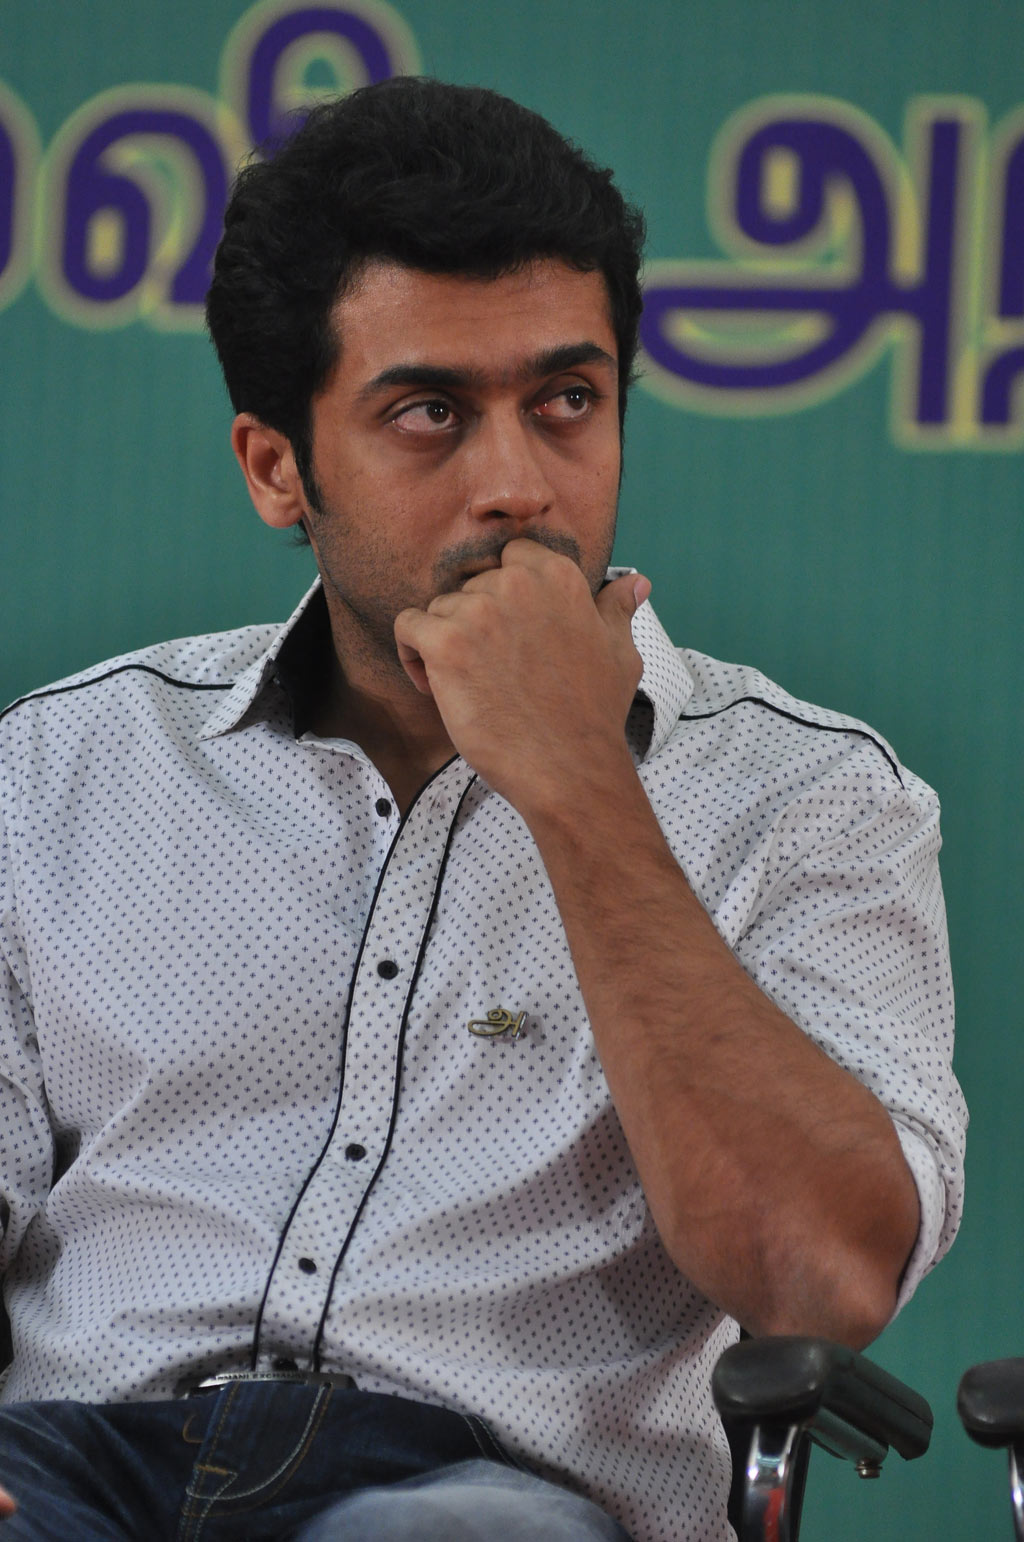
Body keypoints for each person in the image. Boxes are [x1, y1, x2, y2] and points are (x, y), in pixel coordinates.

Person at [0, 77, 966, 1541]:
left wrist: (579, 776)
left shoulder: (809, 800)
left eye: (567, 401)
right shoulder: (64, 767)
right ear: (278, 468)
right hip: (80, 1467)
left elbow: (819, 1278)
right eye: (429, 413)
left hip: (486, 1495)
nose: (518, 486)